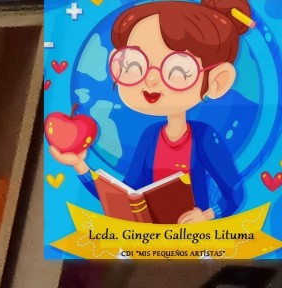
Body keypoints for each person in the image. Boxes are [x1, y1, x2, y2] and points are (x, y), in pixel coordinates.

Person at [46, 1, 251, 225]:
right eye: (134, 65)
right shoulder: (151, 136)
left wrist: (206, 215)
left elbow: (235, 194)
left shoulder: (204, 137)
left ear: (217, 80)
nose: (151, 79)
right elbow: (128, 195)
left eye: (178, 69)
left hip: (194, 238)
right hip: (151, 235)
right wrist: (80, 165)